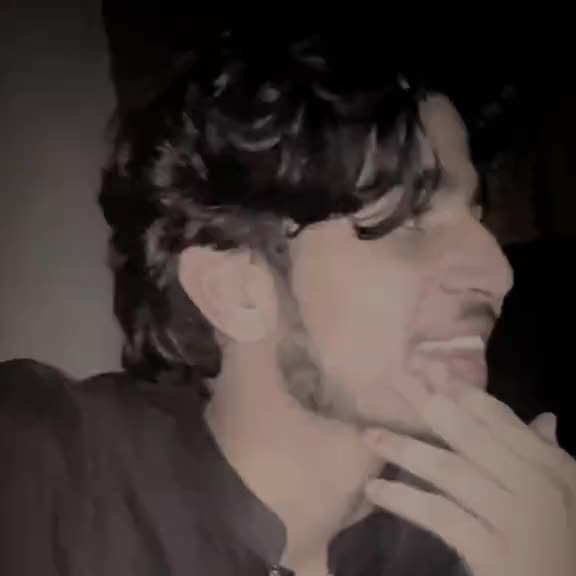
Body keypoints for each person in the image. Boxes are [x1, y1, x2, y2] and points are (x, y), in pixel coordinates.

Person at [1, 32, 575, 576]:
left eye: (476, 216)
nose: (498, 274)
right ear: (236, 292)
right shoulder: (46, 475)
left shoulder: (491, 539)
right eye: (408, 219)